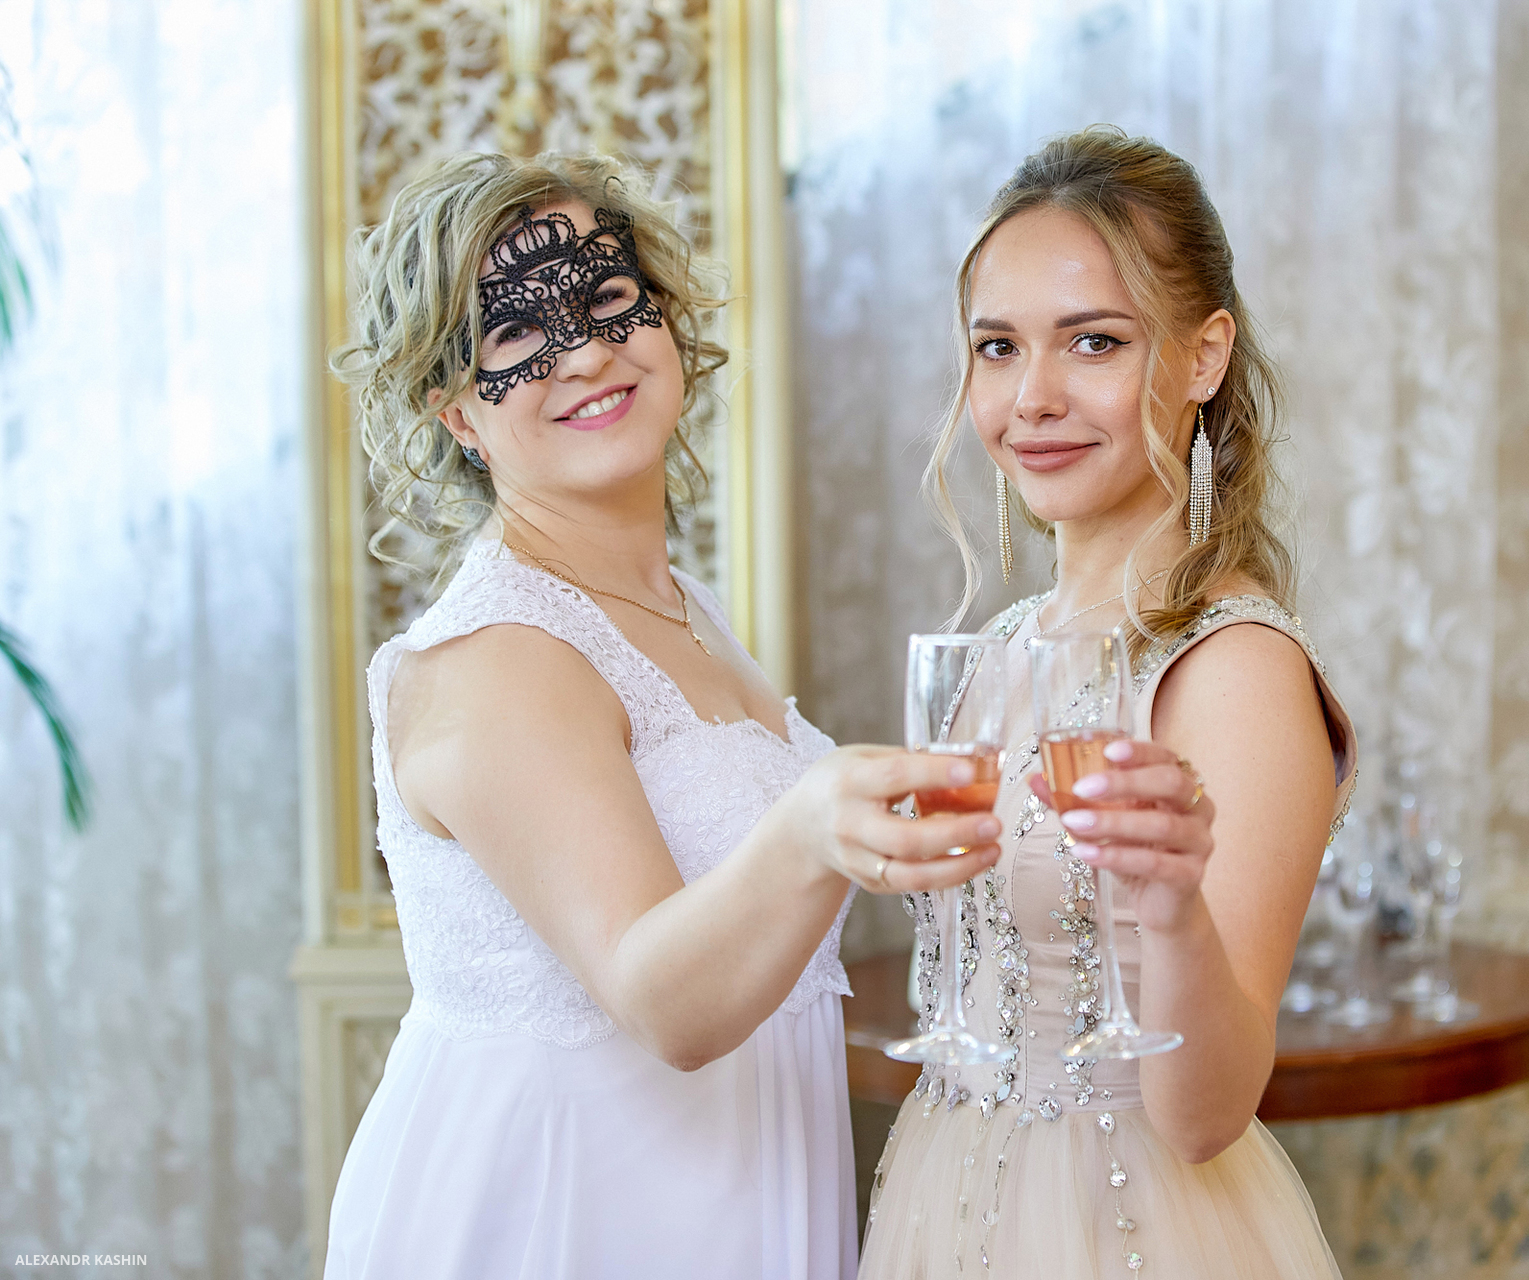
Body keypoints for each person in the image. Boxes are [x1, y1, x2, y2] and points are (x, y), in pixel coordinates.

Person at [321, 152, 998, 1280]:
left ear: (666, 318)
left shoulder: (678, 605)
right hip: (558, 1215)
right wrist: (815, 824)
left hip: (727, 1187)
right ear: (456, 412)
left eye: (605, 296)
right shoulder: (497, 657)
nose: (585, 352)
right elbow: (662, 1000)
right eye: (515, 332)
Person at [860, 126, 1357, 1278]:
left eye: (1094, 341)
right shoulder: (1001, 646)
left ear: (1203, 355)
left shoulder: (1230, 665)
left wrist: (1171, 908)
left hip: (1130, 1230)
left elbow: (1206, 1113)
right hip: (944, 1204)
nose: (1032, 397)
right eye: (998, 347)